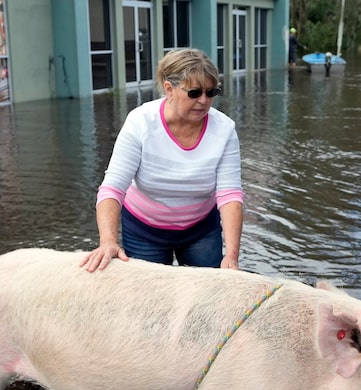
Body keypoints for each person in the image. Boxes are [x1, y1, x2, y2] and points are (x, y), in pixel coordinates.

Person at [81, 48, 244, 272]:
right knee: (147, 302)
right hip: (144, 232)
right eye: (194, 93)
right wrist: (107, 241)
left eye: (211, 92)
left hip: (201, 231)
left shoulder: (224, 129)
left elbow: (230, 195)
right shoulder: (140, 122)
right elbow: (112, 189)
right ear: (170, 89)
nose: (204, 101)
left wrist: (231, 257)